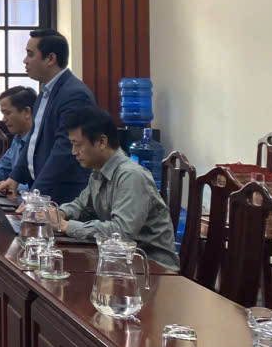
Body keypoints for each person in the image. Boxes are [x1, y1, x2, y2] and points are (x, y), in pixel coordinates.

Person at [49, 108, 180, 270]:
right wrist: (59, 214)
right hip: (120, 260)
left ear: (101, 142)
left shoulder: (131, 176)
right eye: (72, 145)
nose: (74, 152)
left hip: (151, 267)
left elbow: (121, 232)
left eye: (78, 145)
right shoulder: (99, 170)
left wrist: (66, 226)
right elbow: (82, 205)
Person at [0, 30, 95, 205]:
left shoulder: (74, 94)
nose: (25, 60)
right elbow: (33, 139)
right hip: (42, 192)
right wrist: (14, 178)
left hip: (63, 196)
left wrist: (37, 194)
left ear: (50, 59)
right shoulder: (45, 91)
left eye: (30, 54)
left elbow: (64, 151)